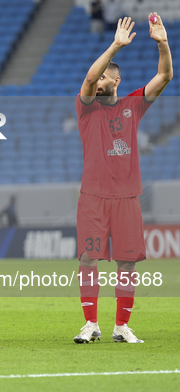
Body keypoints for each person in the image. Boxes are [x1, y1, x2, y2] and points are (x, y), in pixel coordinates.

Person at [74, 14, 172, 344]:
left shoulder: (133, 105)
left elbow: (165, 76)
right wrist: (115, 45)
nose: (96, 79)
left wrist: (163, 44)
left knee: (127, 262)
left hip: (127, 198)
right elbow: (87, 80)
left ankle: (121, 326)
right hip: (93, 198)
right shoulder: (87, 108)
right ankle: (91, 324)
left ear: (115, 81)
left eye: (104, 76)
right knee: (88, 259)